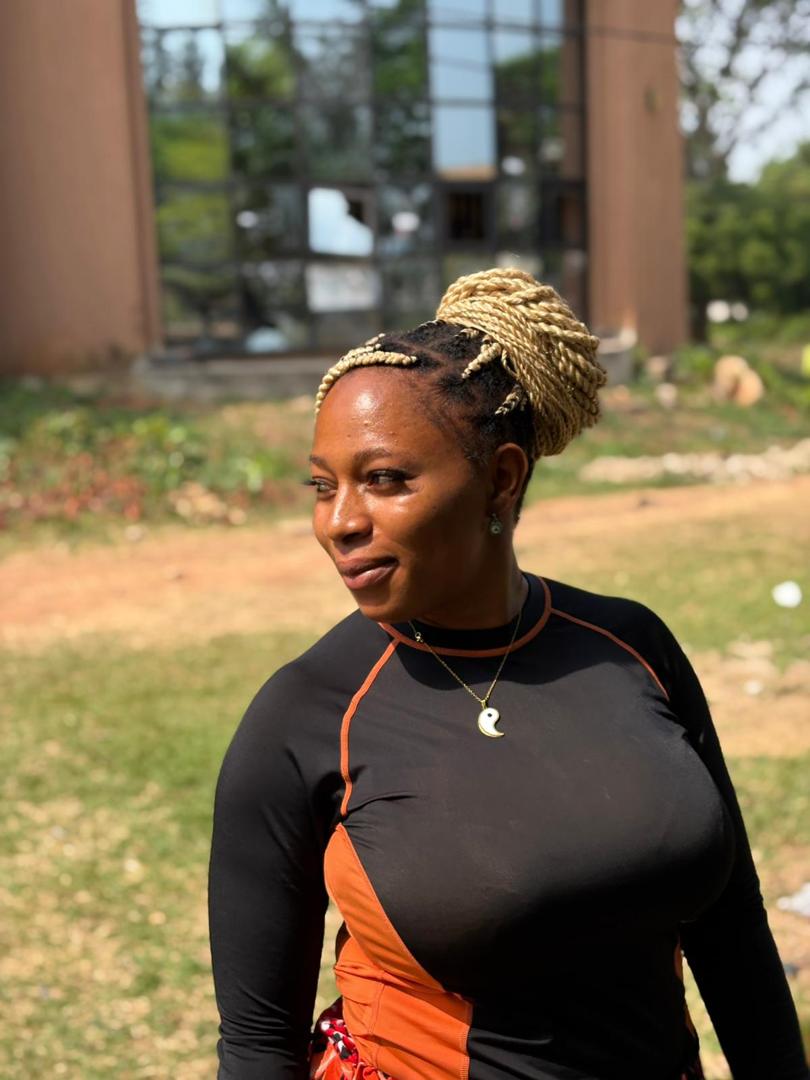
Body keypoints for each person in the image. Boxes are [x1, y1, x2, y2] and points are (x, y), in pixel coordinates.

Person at [208, 268, 808, 1080]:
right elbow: (257, 1045)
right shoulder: (308, 713)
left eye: (384, 480)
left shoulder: (631, 646)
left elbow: (730, 929)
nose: (339, 522)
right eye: (323, 485)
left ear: (501, 478)